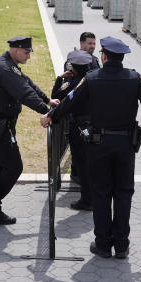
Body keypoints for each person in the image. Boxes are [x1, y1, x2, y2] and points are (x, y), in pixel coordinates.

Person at [41, 36, 141, 259]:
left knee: (101, 194)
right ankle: (122, 246)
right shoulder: (135, 78)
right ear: (121, 57)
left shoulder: (92, 78)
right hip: (126, 145)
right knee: (124, 193)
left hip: (99, 145)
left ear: (103, 56)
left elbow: (70, 101)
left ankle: (103, 244)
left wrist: (51, 117)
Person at [0, 36, 59, 226]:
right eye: (26, 52)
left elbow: (28, 82)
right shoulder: (5, 68)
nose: (29, 57)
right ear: (16, 50)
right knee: (14, 167)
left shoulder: (9, 65)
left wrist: (47, 100)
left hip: (0, 126)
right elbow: (24, 92)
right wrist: (46, 111)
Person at [51, 49, 96, 210]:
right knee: (93, 163)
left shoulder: (72, 84)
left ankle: (87, 200)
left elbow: (56, 98)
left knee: (82, 164)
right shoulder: (94, 80)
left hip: (78, 128)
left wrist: (59, 79)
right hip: (95, 127)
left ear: (73, 68)